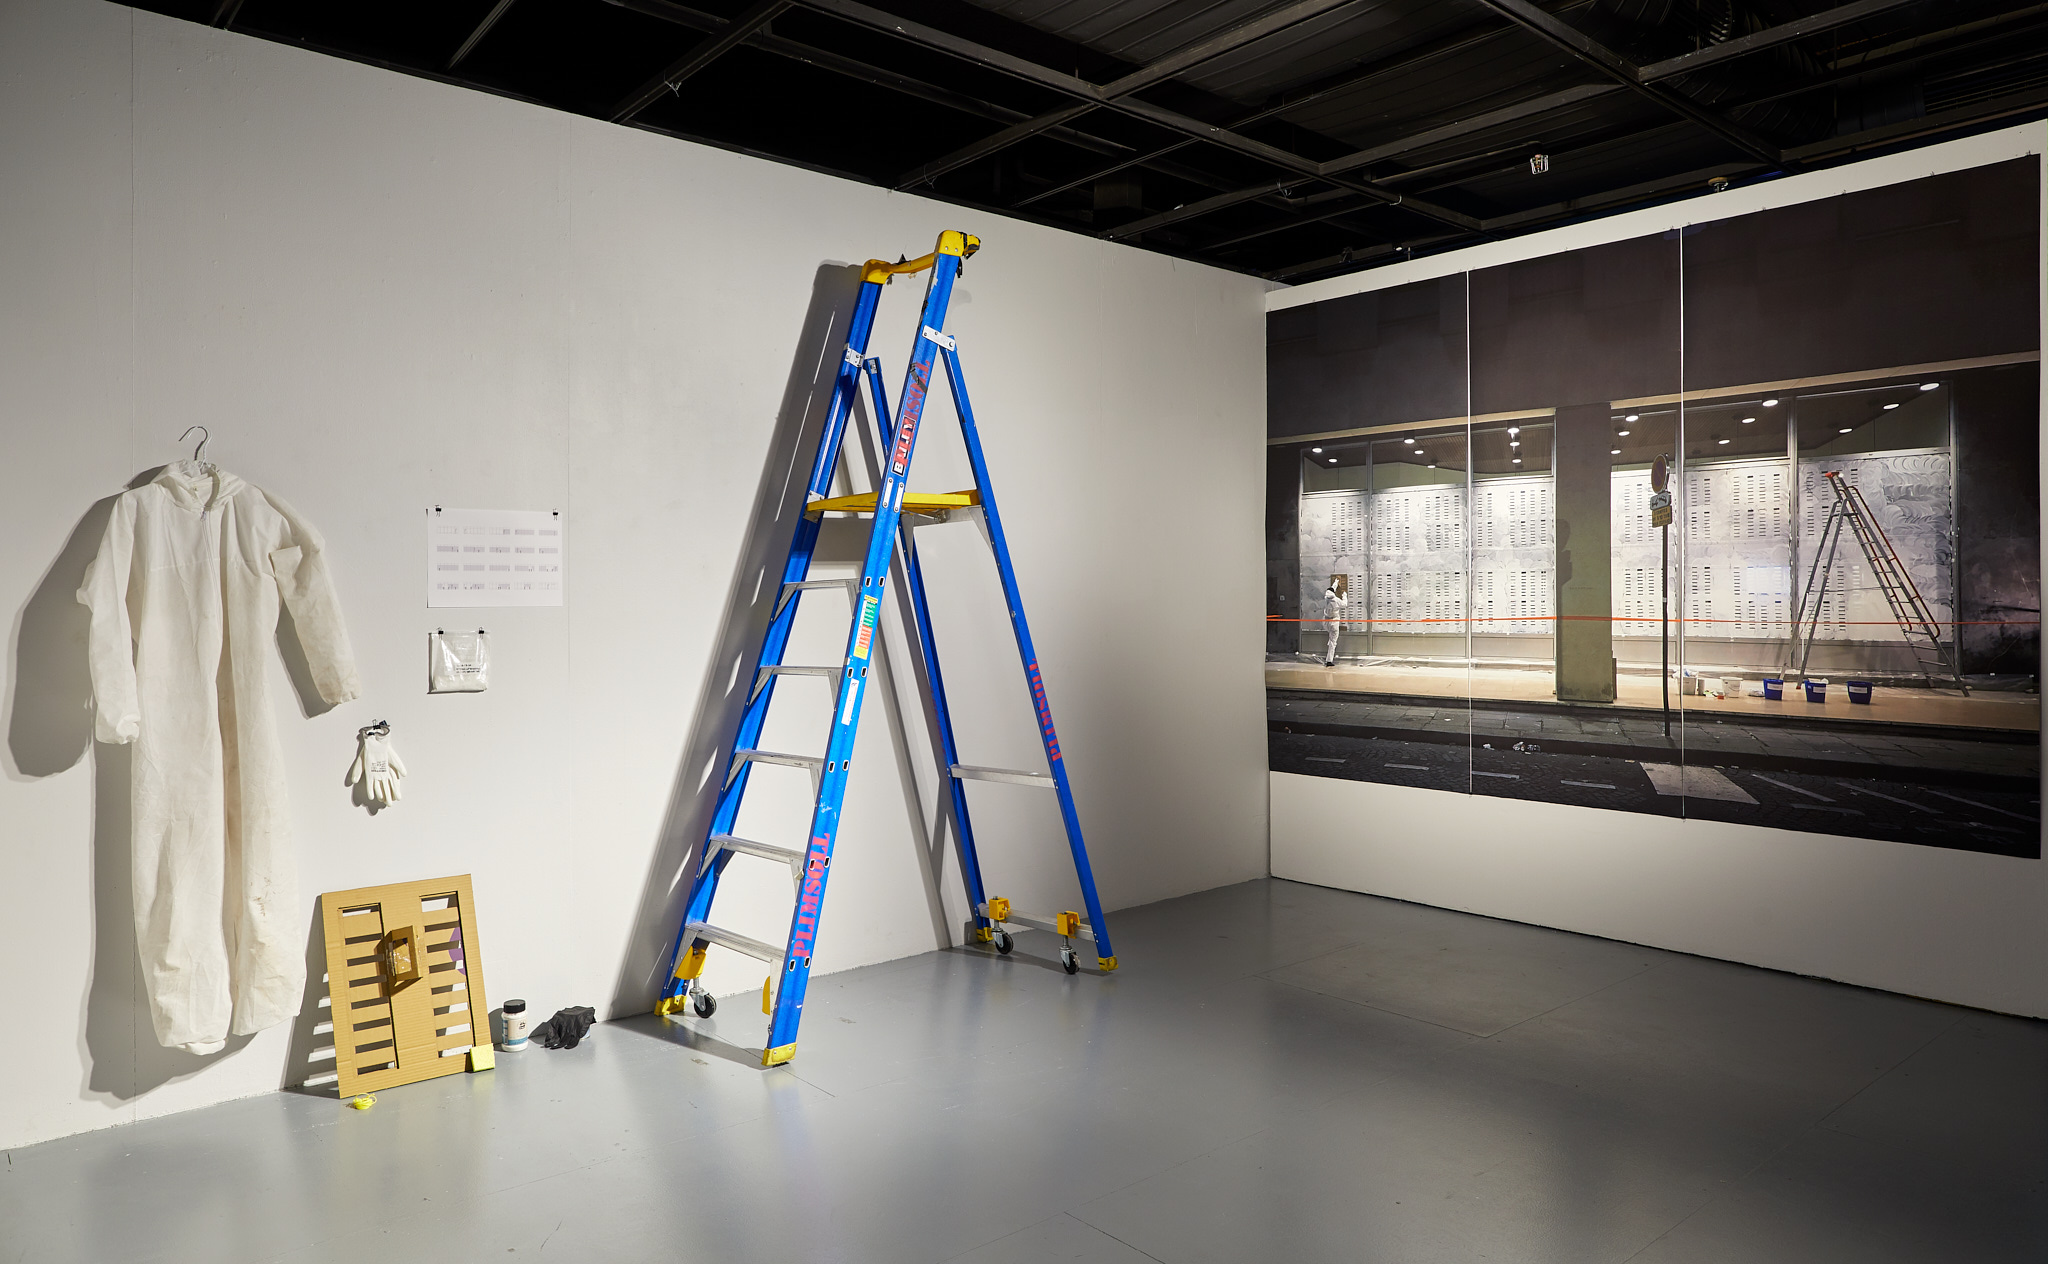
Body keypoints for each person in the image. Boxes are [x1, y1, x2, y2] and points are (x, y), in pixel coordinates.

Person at [1322, 580, 1347, 667]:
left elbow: (1331, 590)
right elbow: (1344, 604)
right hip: (1334, 622)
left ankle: (1330, 644)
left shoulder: (1326, 598)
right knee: (1333, 641)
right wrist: (1344, 596)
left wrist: (1336, 583)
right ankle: (1329, 661)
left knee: (1331, 638)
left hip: (1326, 622)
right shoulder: (1336, 600)